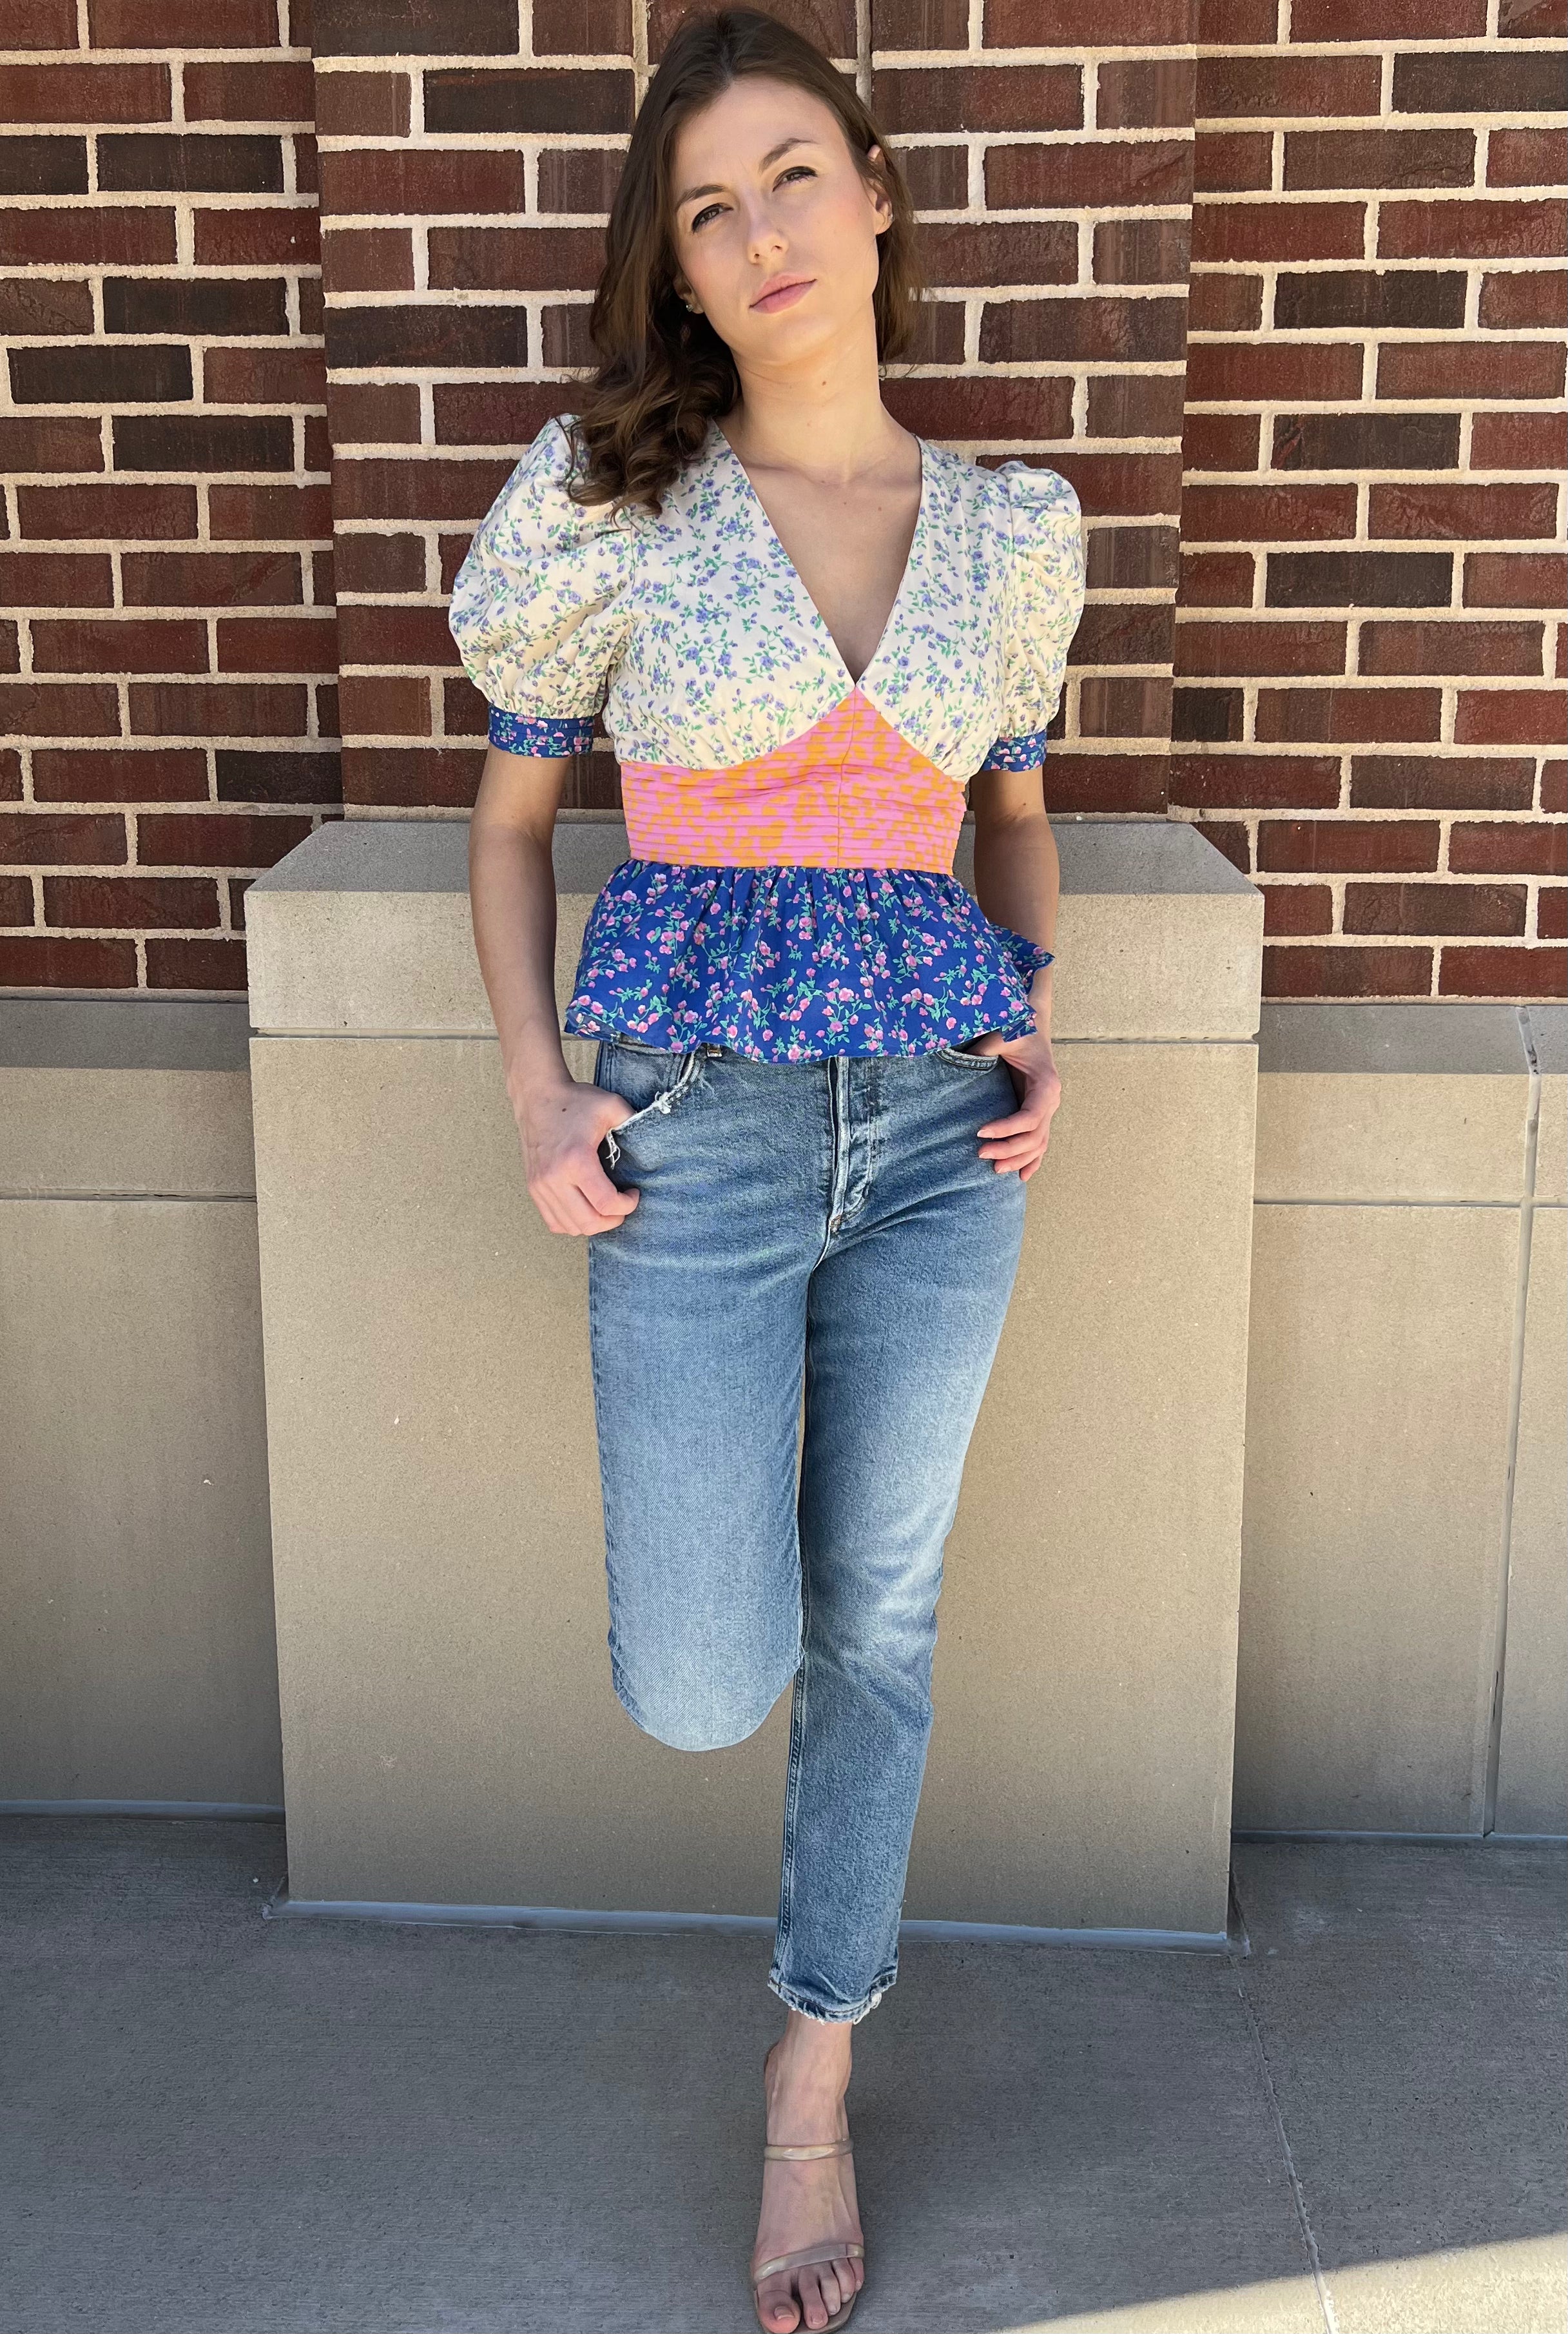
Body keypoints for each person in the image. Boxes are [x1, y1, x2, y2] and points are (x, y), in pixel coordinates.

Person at [452, 10, 1085, 2328]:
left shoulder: (1012, 532)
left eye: (793, 173)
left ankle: (810, 2076)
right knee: (708, 1679)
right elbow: (511, 831)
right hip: (691, 1132)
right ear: (680, 266)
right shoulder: (604, 504)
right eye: (707, 207)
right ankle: (799, 2002)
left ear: (878, 193)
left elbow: (1013, 816)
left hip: (938, 1136)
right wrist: (537, 1092)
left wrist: (1038, 1006)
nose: (760, 233)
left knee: (882, 1618)